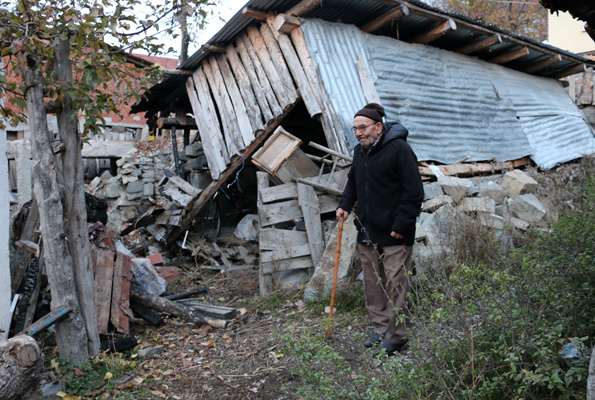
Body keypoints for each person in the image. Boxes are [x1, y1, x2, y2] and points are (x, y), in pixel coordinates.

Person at [336, 103, 423, 356]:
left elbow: (414, 192)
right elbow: (354, 182)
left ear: (378, 127)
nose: (359, 133)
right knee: (373, 283)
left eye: (362, 128)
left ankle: (397, 337)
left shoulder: (400, 149)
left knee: (396, 283)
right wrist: (344, 204)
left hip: (396, 232)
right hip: (367, 229)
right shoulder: (359, 152)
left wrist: (402, 224)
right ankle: (381, 327)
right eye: (355, 129)